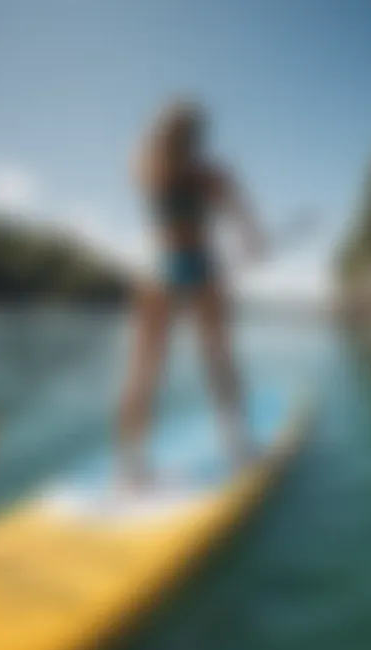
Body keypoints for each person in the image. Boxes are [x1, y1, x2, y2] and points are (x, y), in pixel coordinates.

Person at [117, 99, 265, 485]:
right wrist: (254, 245)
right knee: (218, 359)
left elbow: (150, 167)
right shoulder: (212, 175)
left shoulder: (146, 166)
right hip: (198, 266)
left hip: (158, 267)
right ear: (198, 137)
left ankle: (131, 466)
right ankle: (239, 445)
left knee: (144, 368)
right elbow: (249, 229)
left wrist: (249, 238)